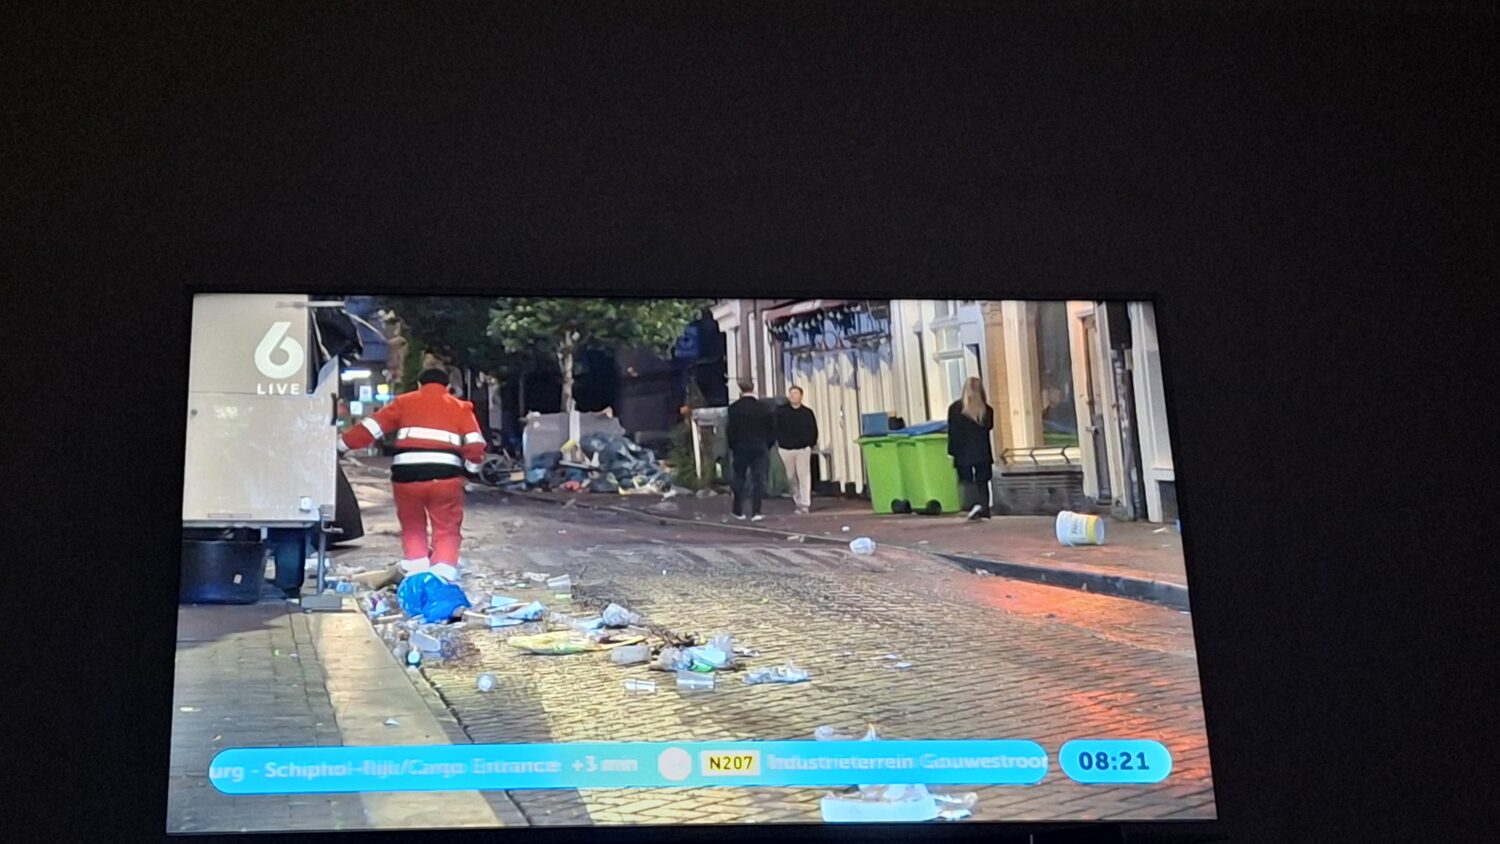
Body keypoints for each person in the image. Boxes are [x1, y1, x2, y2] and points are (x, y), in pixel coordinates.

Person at [338, 368, 486, 582]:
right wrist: (471, 470)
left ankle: (416, 569)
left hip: (405, 475)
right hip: (445, 476)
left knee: (412, 524)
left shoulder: (403, 402)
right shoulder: (460, 407)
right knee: (446, 527)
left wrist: (341, 445)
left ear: (419, 384)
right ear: (447, 387)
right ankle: (441, 575)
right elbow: (475, 445)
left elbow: (372, 428)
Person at [726, 377, 775, 521]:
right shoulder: (764, 408)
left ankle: (737, 510)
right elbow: (771, 429)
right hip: (760, 447)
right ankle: (756, 511)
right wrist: (767, 444)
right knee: (759, 480)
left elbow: (730, 430)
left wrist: (733, 446)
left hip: (740, 447)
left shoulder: (734, 409)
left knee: (739, 478)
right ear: (753, 389)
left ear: (740, 389)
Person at [947, 376, 995, 520]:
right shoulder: (987, 410)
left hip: (964, 453)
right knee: (982, 481)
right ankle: (984, 507)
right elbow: (989, 427)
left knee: (967, 480)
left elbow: (953, 432)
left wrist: (952, 452)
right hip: (982, 453)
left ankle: (973, 505)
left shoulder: (955, 409)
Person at [775, 385, 819, 514]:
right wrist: (780, 441)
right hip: (785, 448)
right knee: (790, 477)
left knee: (804, 475)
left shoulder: (807, 413)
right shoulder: (781, 411)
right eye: (791, 393)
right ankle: (797, 499)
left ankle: (805, 504)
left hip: (803, 449)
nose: (792, 396)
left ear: (801, 396)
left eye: (795, 393)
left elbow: (813, 429)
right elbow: (775, 427)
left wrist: (809, 444)